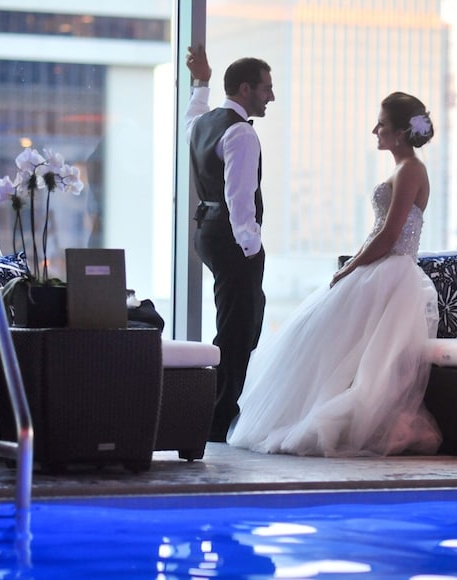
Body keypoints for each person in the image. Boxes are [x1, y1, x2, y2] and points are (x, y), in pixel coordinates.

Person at [226, 91, 442, 457]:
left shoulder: (411, 170)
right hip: (380, 268)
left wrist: (353, 266)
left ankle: (329, 419)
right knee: (316, 336)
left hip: (393, 272)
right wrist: (354, 264)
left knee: (351, 348)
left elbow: (390, 235)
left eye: (382, 124)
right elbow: (381, 233)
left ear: (401, 133)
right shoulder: (401, 169)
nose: (375, 129)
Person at [184, 44, 275, 442]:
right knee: (236, 331)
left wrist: (200, 81)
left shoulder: (202, 123)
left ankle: (217, 410)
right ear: (244, 89)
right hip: (231, 237)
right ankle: (217, 420)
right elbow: (240, 197)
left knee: (244, 318)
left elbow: (191, 112)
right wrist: (251, 248)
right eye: (265, 88)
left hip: (206, 230)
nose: (271, 96)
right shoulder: (241, 133)